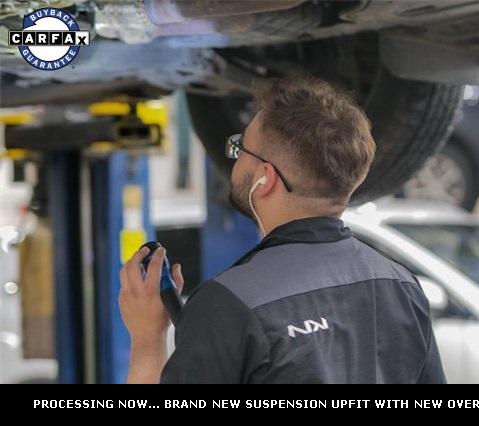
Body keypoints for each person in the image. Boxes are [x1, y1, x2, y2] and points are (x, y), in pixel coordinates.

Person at [119, 75, 446, 384]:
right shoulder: (402, 287)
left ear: (265, 178)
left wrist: (148, 339)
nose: (235, 158)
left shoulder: (227, 304)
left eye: (241, 148)